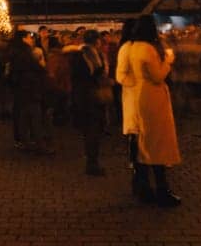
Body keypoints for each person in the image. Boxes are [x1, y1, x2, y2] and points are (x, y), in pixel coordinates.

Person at [116, 16, 181, 207]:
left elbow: (120, 75)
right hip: (152, 98)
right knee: (156, 142)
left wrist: (133, 86)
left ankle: (142, 184)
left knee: (138, 141)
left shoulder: (126, 48)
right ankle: (161, 189)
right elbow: (158, 76)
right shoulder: (147, 49)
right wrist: (168, 60)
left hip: (133, 99)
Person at [67, 29, 111, 176]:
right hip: (91, 97)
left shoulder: (77, 54)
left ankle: (91, 160)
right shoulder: (91, 55)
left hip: (80, 96)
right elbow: (97, 74)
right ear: (96, 41)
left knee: (88, 130)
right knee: (93, 130)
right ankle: (92, 164)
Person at [7, 30, 50, 153]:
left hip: (22, 89)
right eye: (29, 37)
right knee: (35, 116)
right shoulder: (24, 52)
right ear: (23, 39)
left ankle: (25, 141)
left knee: (24, 116)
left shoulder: (16, 51)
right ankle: (39, 144)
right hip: (29, 88)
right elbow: (33, 68)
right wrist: (41, 71)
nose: (32, 39)